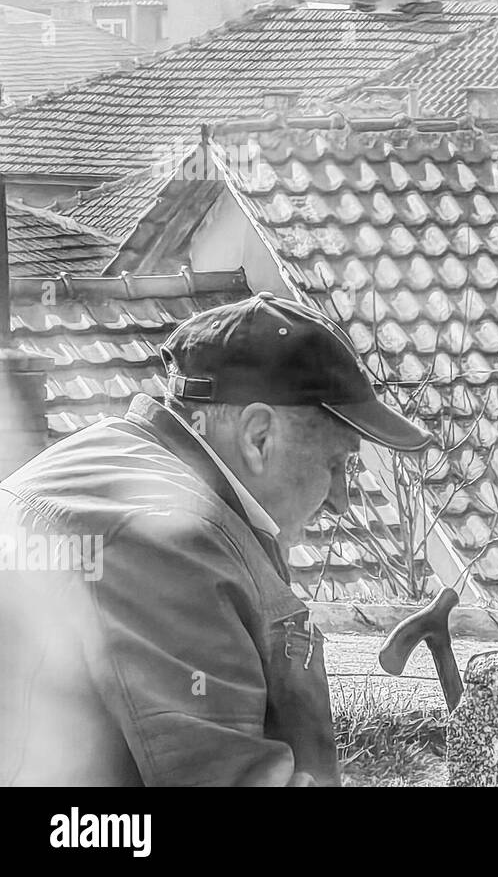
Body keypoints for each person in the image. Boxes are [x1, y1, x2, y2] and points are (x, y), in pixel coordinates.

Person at [0, 292, 432, 785]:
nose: (340, 501)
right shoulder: (168, 538)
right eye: (337, 465)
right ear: (258, 437)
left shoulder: (113, 461)